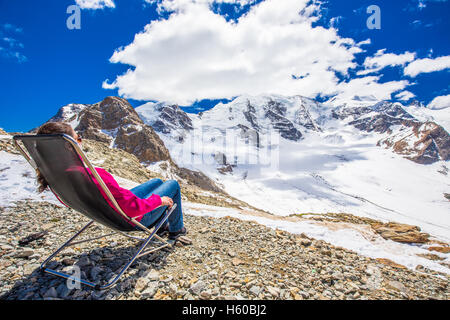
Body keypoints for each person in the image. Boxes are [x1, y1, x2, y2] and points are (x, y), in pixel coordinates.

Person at [35, 121, 187, 241]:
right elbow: (131, 209)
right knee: (171, 185)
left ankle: (160, 226)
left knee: (157, 182)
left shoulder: (55, 175)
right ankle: (176, 230)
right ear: (69, 146)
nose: (80, 142)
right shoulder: (92, 175)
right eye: (77, 139)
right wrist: (158, 201)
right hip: (131, 219)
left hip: (107, 213)